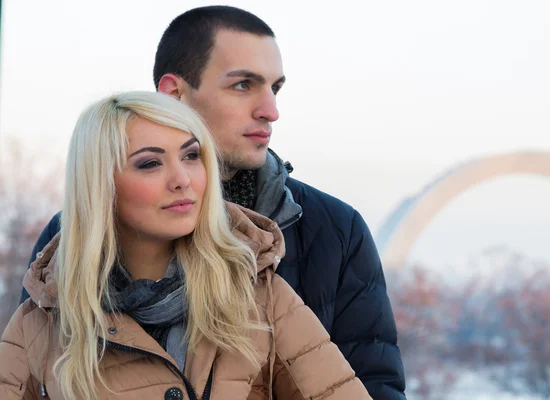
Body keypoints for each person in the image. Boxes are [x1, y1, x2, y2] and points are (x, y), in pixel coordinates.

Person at [20, 6, 406, 398]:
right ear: (174, 94)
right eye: (243, 85)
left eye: (275, 88)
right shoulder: (69, 236)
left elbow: (375, 386)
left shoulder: (335, 229)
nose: (270, 111)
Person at [1, 91, 371, 400]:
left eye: (192, 155)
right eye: (150, 164)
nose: (182, 180)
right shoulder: (41, 323)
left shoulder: (261, 296)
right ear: (102, 187)